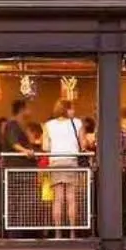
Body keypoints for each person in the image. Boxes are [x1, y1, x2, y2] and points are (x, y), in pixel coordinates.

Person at [43, 99, 88, 235]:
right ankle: (73, 232)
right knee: (71, 198)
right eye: (72, 108)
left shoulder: (48, 125)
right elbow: (83, 145)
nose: (73, 111)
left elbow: (45, 147)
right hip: (71, 161)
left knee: (57, 199)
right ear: (67, 109)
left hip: (56, 161)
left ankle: (58, 232)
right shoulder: (77, 123)